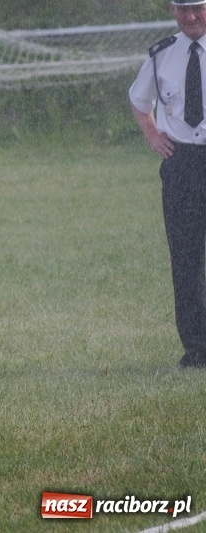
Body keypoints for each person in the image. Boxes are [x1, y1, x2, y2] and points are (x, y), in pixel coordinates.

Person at [129, 0, 206, 369]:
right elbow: (138, 100)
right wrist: (153, 135)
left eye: (198, 8)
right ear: (173, 11)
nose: (191, 17)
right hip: (182, 164)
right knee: (186, 259)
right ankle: (197, 349)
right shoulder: (162, 55)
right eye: (183, 9)